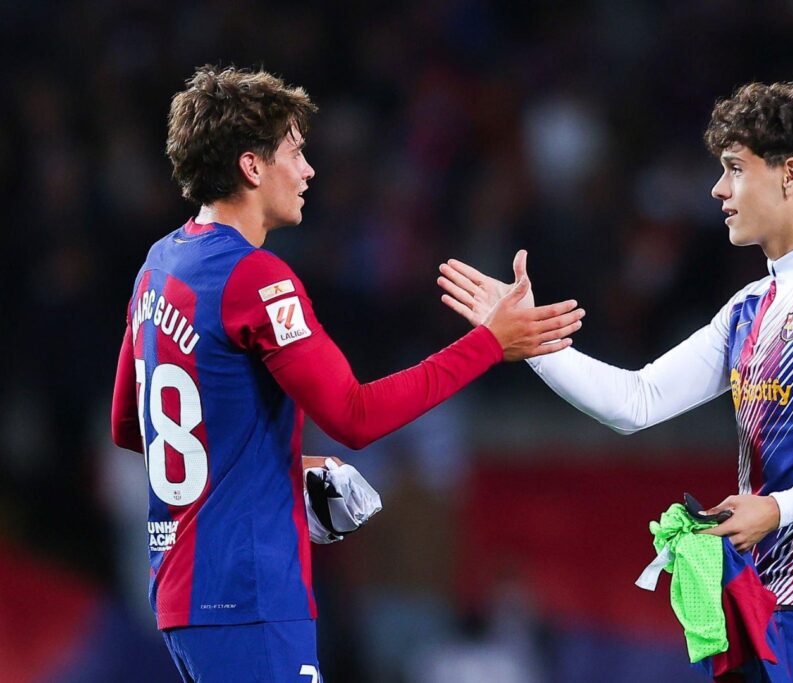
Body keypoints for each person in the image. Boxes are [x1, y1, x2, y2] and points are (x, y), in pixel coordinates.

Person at [110, 64, 585, 683]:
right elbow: (354, 417)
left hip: (181, 593)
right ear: (252, 167)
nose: (307, 171)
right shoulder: (256, 278)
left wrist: (278, 467)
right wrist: (488, 345)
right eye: (296, 152)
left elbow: (130, 423)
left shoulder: (158, 266)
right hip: (250, 595)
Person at [438, 81, 793, 681]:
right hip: (758, 587)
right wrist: (528, 339)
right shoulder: (749, 307)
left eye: (735, 169)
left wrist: (777, 508)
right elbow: (638, 401)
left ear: (791, 175)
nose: (719, 189)